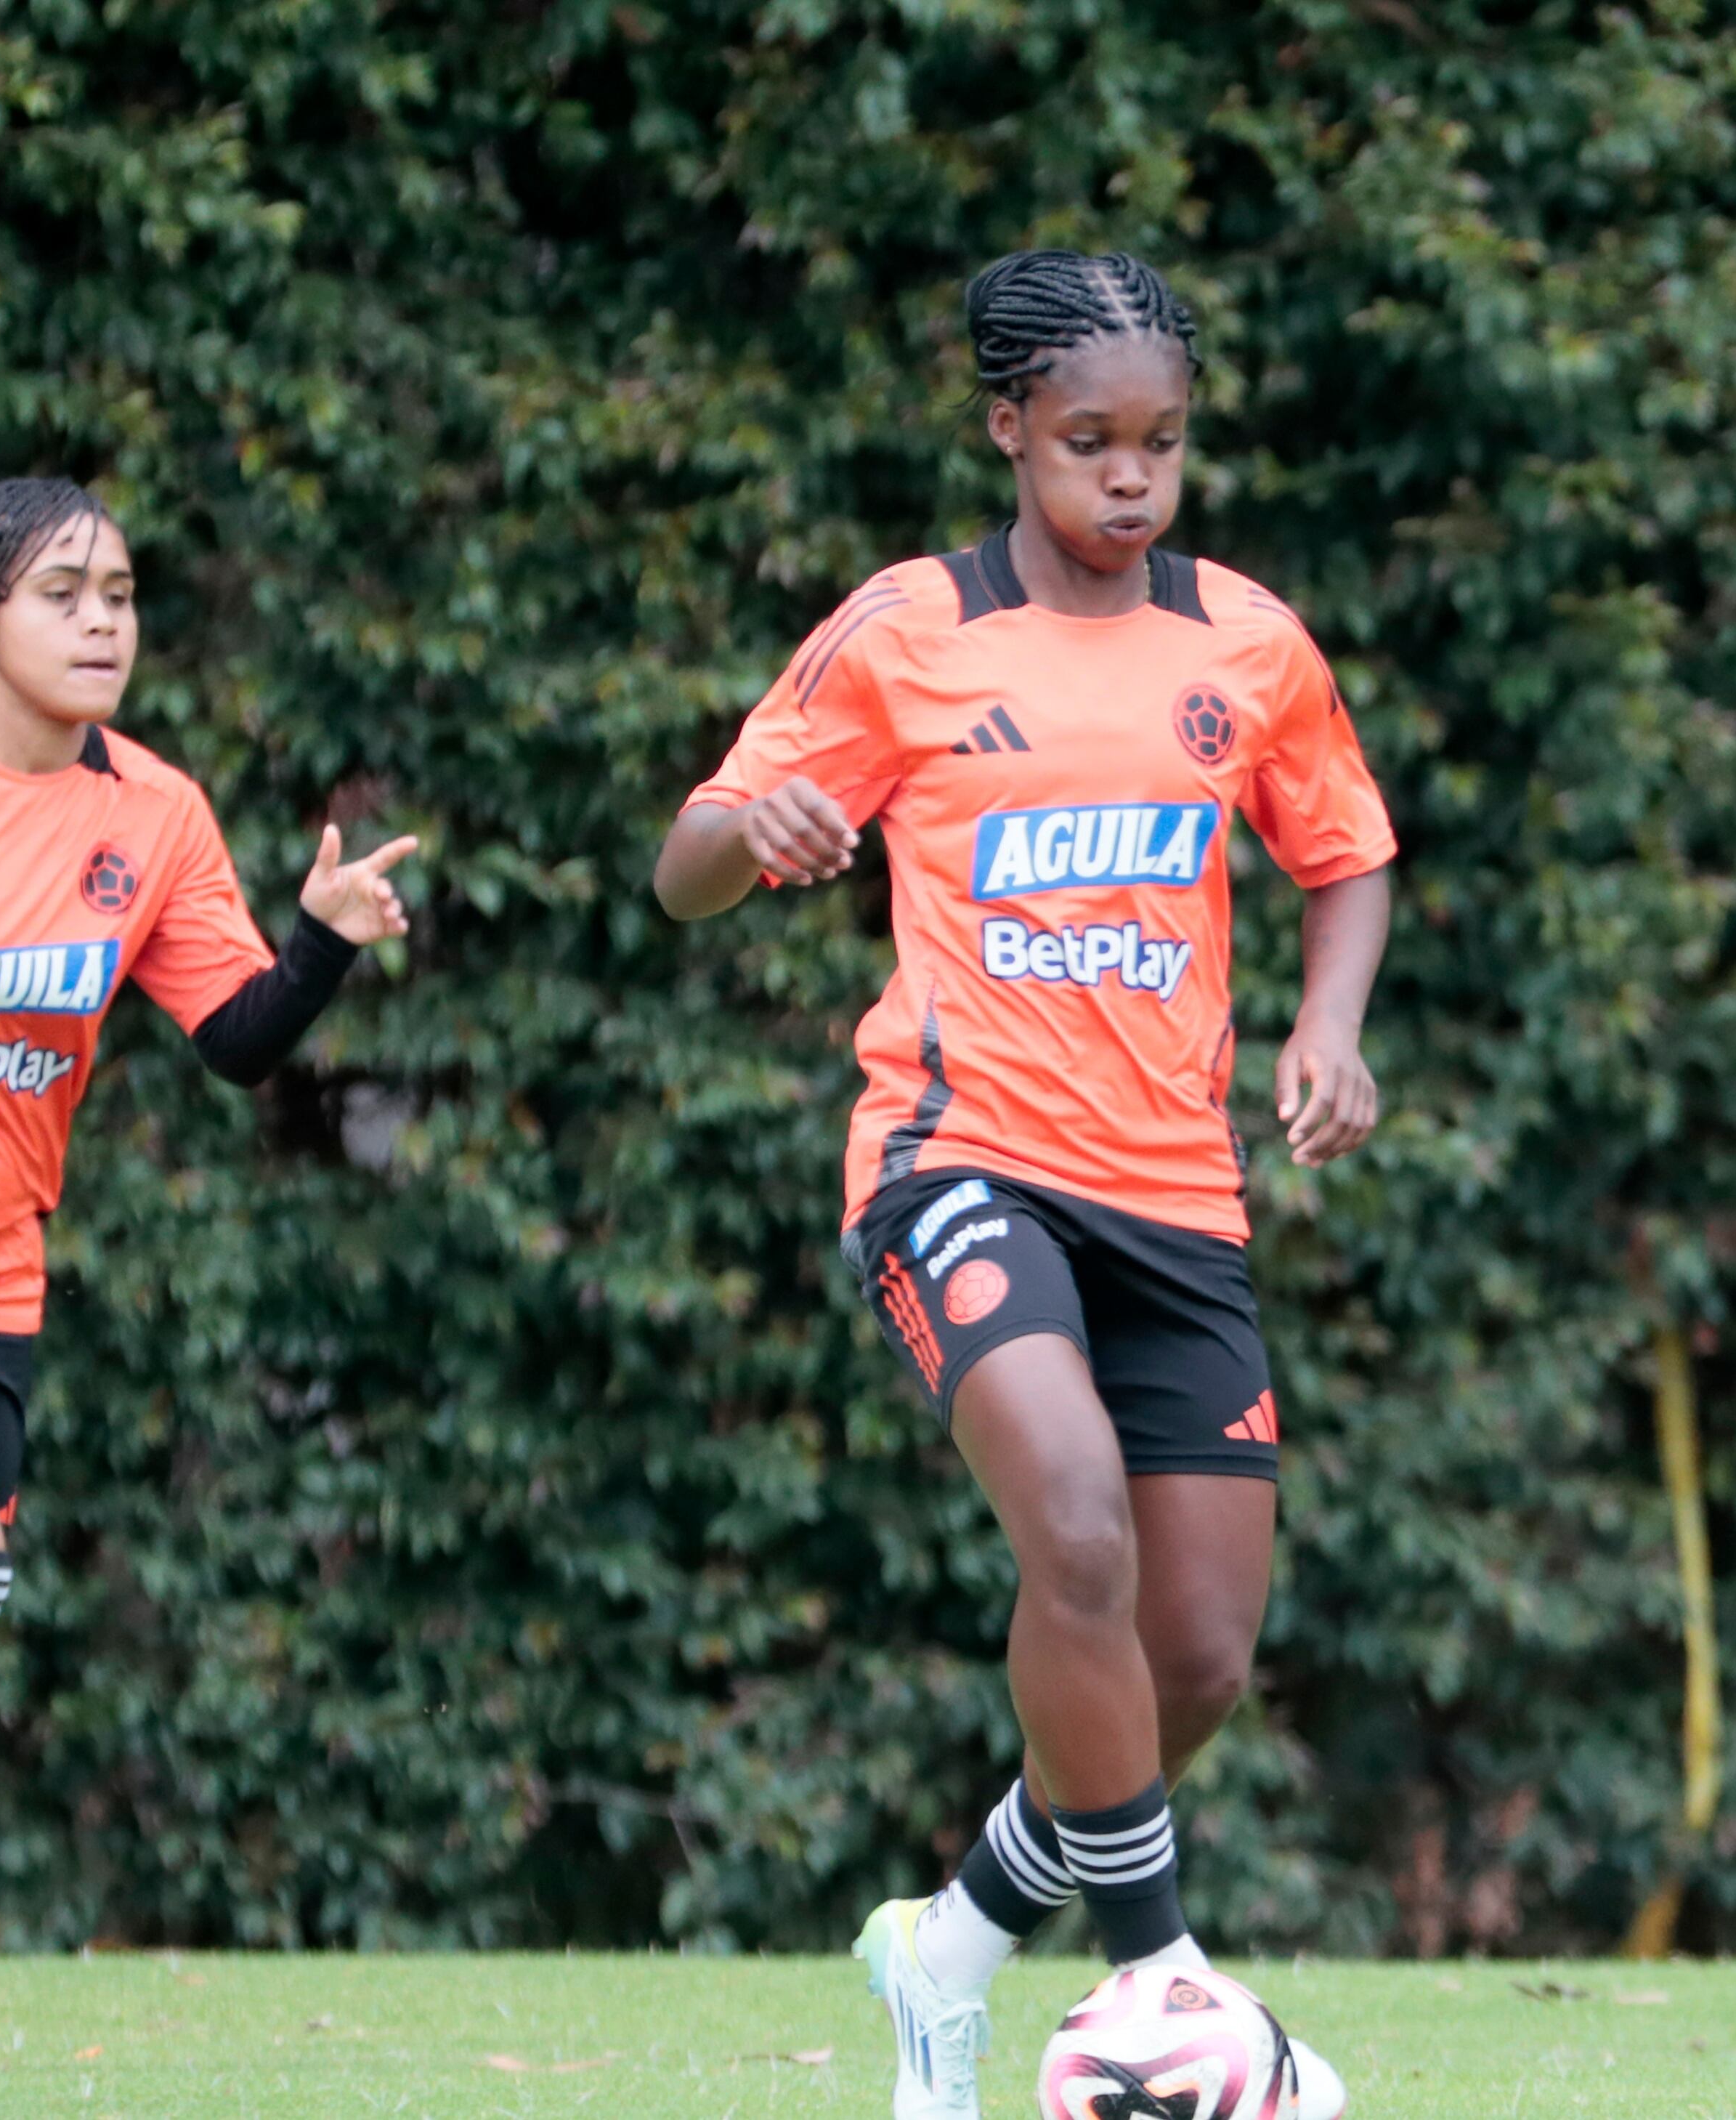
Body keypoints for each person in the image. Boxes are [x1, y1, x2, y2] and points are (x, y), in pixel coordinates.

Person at [655, 250, 1393, 2120]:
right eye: (1087, 442)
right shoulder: (905, 631)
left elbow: (1346, 853)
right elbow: (685, 861)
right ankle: (1161, 1983)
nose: (1130, 478)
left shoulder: (1249, 642)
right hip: (955, 1159)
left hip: (1177, 1193)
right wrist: (764, 827)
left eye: (1160, 441)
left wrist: (1328, 1029)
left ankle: (953, 1950)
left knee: (1195, 1656)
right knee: (1071, 1523)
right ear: (1007, 431)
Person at [0, 479, 416, 2071]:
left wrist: (323, 939)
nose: (103, 619)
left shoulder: (151, 812)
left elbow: (237, 1042)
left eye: (121, 590)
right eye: (63, 591)